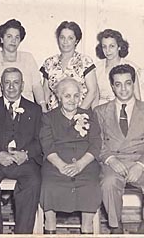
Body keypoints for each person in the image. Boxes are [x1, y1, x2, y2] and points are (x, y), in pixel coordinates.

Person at [94, 64, 144, 234]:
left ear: (134, 83)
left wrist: (140, 165)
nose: (123, 89)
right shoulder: (100, 111)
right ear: (112, 86)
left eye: (128, 83)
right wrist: (111, 159)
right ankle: (116, 227)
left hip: (142, 163)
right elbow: (97, 143)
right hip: (113, 163)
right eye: (118, 84)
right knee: (109, 183)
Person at [0, 67, 42, 234]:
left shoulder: (34, 109)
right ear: (1, 85)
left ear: (22, 85)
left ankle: (23, 233)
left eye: (16, 83)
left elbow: (41, 139)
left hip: (23, 162)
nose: (11, 87)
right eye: (7, 83)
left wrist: (26, 154)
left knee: (33, 182)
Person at [39, 77, 102, 234]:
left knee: (90, 185)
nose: (72, 100)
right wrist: (61, 166)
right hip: (55, 165)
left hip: (85, 165)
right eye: (67, 96)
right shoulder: (48, 117)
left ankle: (87, 228)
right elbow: (47, 144)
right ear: (59, 97)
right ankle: (50, 227)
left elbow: (96, 144)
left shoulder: (90, 115)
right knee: (49, 185)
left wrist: (80, 164)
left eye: (76, 95)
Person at [0, 19, 47, 112]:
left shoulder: (28, 58)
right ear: (1, 39)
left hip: (26, 108)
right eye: (9, 36)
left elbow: (36, 86)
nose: (13, 40)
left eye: (17, 37)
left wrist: (43, 107)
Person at [40, 21, 98, 111]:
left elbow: (93, 91)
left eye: (70, 38)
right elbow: (45, 92)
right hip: (54, 116)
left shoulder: (85, 61)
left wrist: (79, 114)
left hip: (79, 115)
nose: (65, 42)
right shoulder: (50, 62)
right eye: (62, 37)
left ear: (76, 41)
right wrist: (45, 113)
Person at [95, 29, 141, 105]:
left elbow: (137, 98)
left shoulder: (129, 67)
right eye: (104, 47)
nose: (107, 50)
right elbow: (94, 95)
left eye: (111, 46)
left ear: (119, 47)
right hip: (101, 108)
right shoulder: (97, 68)